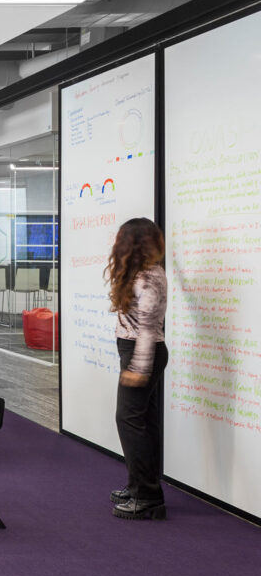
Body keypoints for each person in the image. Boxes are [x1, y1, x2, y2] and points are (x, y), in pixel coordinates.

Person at [105, 217, 168, 520]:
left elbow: (148, 328)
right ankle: (142, 486)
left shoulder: (149, 279)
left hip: (144, 353)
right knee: (144, 421)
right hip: (137, 350)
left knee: (127, 419)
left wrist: (138, 368)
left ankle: (148, 498)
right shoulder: (142, 274)